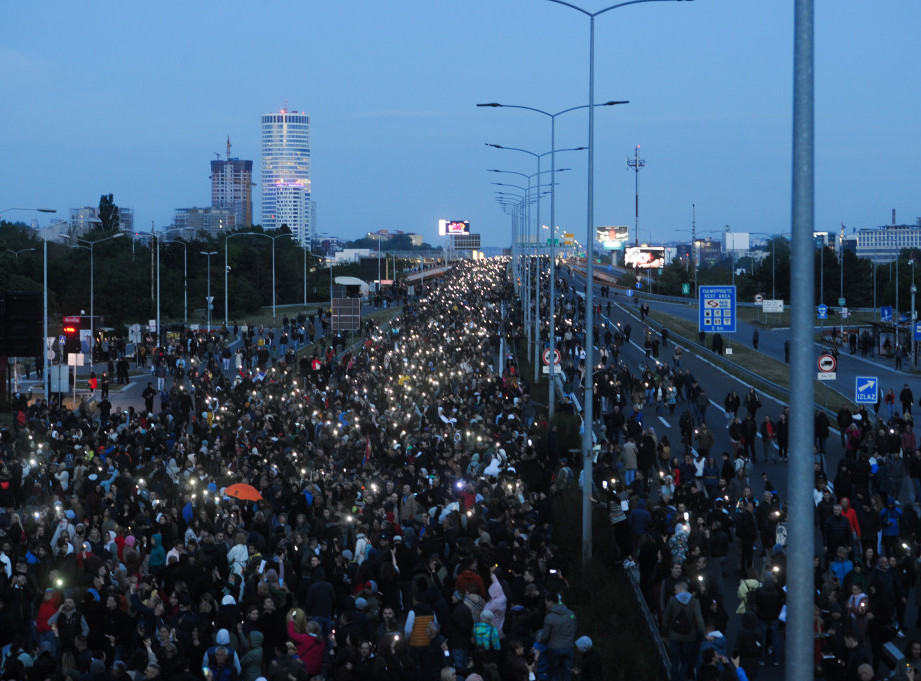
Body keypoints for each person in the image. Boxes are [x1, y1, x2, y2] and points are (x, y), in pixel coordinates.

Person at [662, 580, 704, 681]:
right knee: (685, 660)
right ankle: (682, 678)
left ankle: (674, 678)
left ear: (681, 589)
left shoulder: (672, 601)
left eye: (676, 589)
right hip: (689, 637)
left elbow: (666, 619)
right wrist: (704, 633)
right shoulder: (694, 602)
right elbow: (699, 619)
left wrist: (664, 633)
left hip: (674, 636)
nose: (675, 592)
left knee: (675, 660)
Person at [539, 592, 577, 681]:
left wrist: (540, 642)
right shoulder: (571, 614)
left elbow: (545, 636)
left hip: (554, 649)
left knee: (554, 674)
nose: (546, 605)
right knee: (567, 674)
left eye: (546, 603)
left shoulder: (549, 617)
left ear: (551, 602)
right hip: (569, 647)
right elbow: (574, 629)